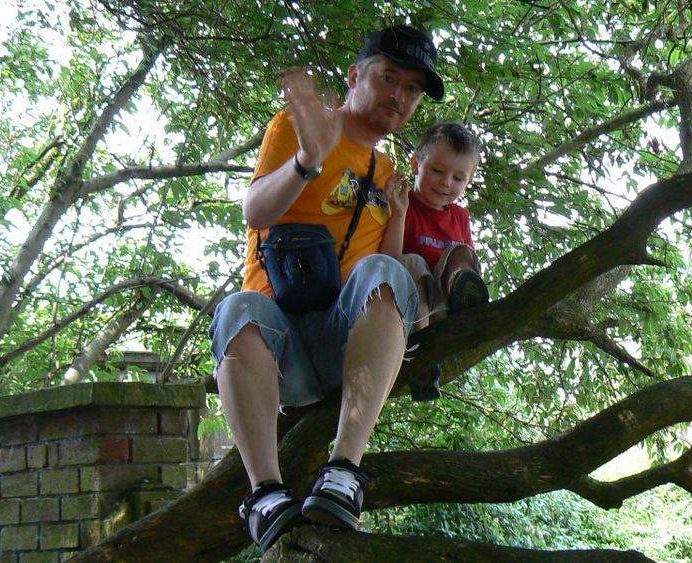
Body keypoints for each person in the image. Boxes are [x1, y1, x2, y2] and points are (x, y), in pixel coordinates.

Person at [208, 26, 445, 552]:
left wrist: (401, 216)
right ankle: (265, 492)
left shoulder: (388, 171)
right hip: (277, 345)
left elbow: (383, 285)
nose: (399, 97)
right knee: (235, 309)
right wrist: (307, 161)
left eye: (411, 89)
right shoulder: (297, 128)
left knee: (388, 274)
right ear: (355, 76)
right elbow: (254, 211)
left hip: (344, 350)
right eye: (388, 78)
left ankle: (343, 471)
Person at [381, 122, 489, 400]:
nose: (446, 183)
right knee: (412, 263)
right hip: (414, 311)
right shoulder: (402, 203)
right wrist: (399, 214)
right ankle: (423, 357)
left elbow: (465, 256)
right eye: (437, 171)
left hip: (445, 301)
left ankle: (466, 299)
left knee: (460, 252)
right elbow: (388, 260)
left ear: (469, 181)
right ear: (416, 165)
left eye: (458, 178)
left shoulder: (460, 217)